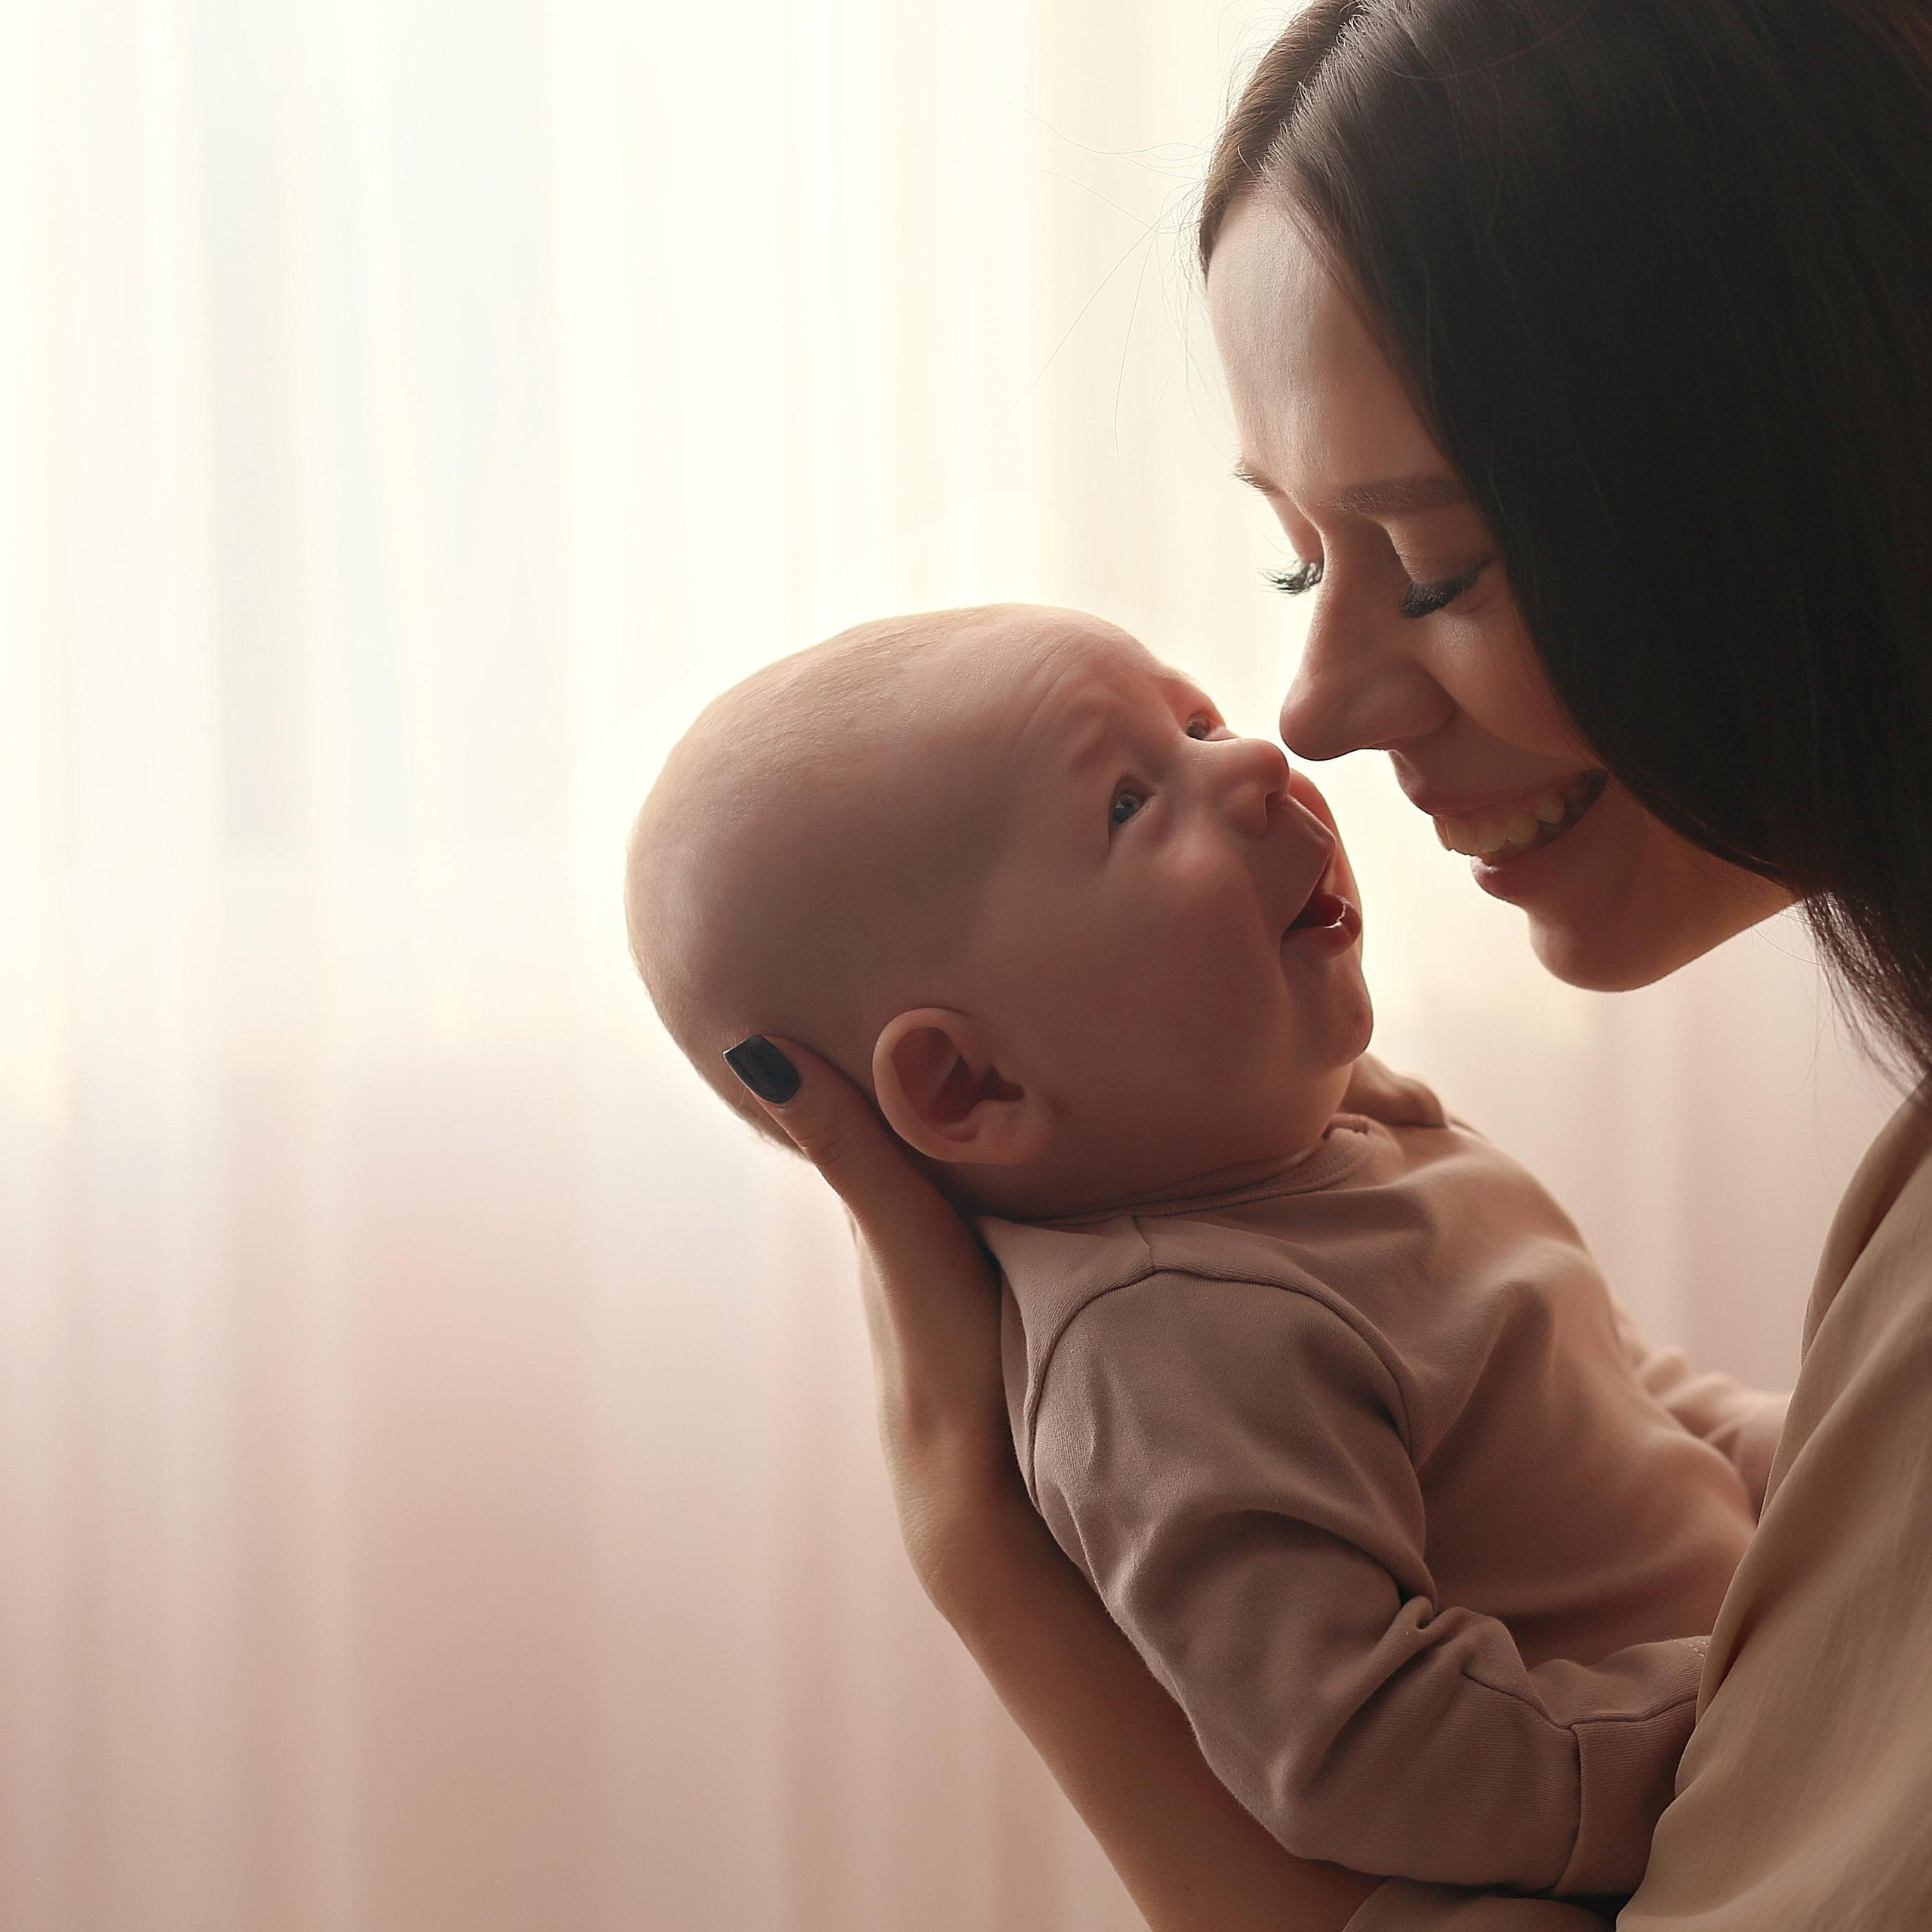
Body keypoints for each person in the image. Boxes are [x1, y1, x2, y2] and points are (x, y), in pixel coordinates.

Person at [718, 3, 1932, 1927]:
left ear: (1800, 456)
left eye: (1433, 566)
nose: (1311, 717)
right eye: (1302, 564)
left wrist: (982, 1563)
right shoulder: (1172, 1334)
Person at [629, 603, 1787, 1906]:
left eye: (1195, 724)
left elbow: (1625, 1403)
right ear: (967, 1081)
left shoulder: (1345, 1135)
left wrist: (1831, 1462)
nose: (1256, 764)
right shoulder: (1164, 1341)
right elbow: (1379, 1748)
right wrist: (1775, 1697)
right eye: (1127, 803)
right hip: (1668, 1841)